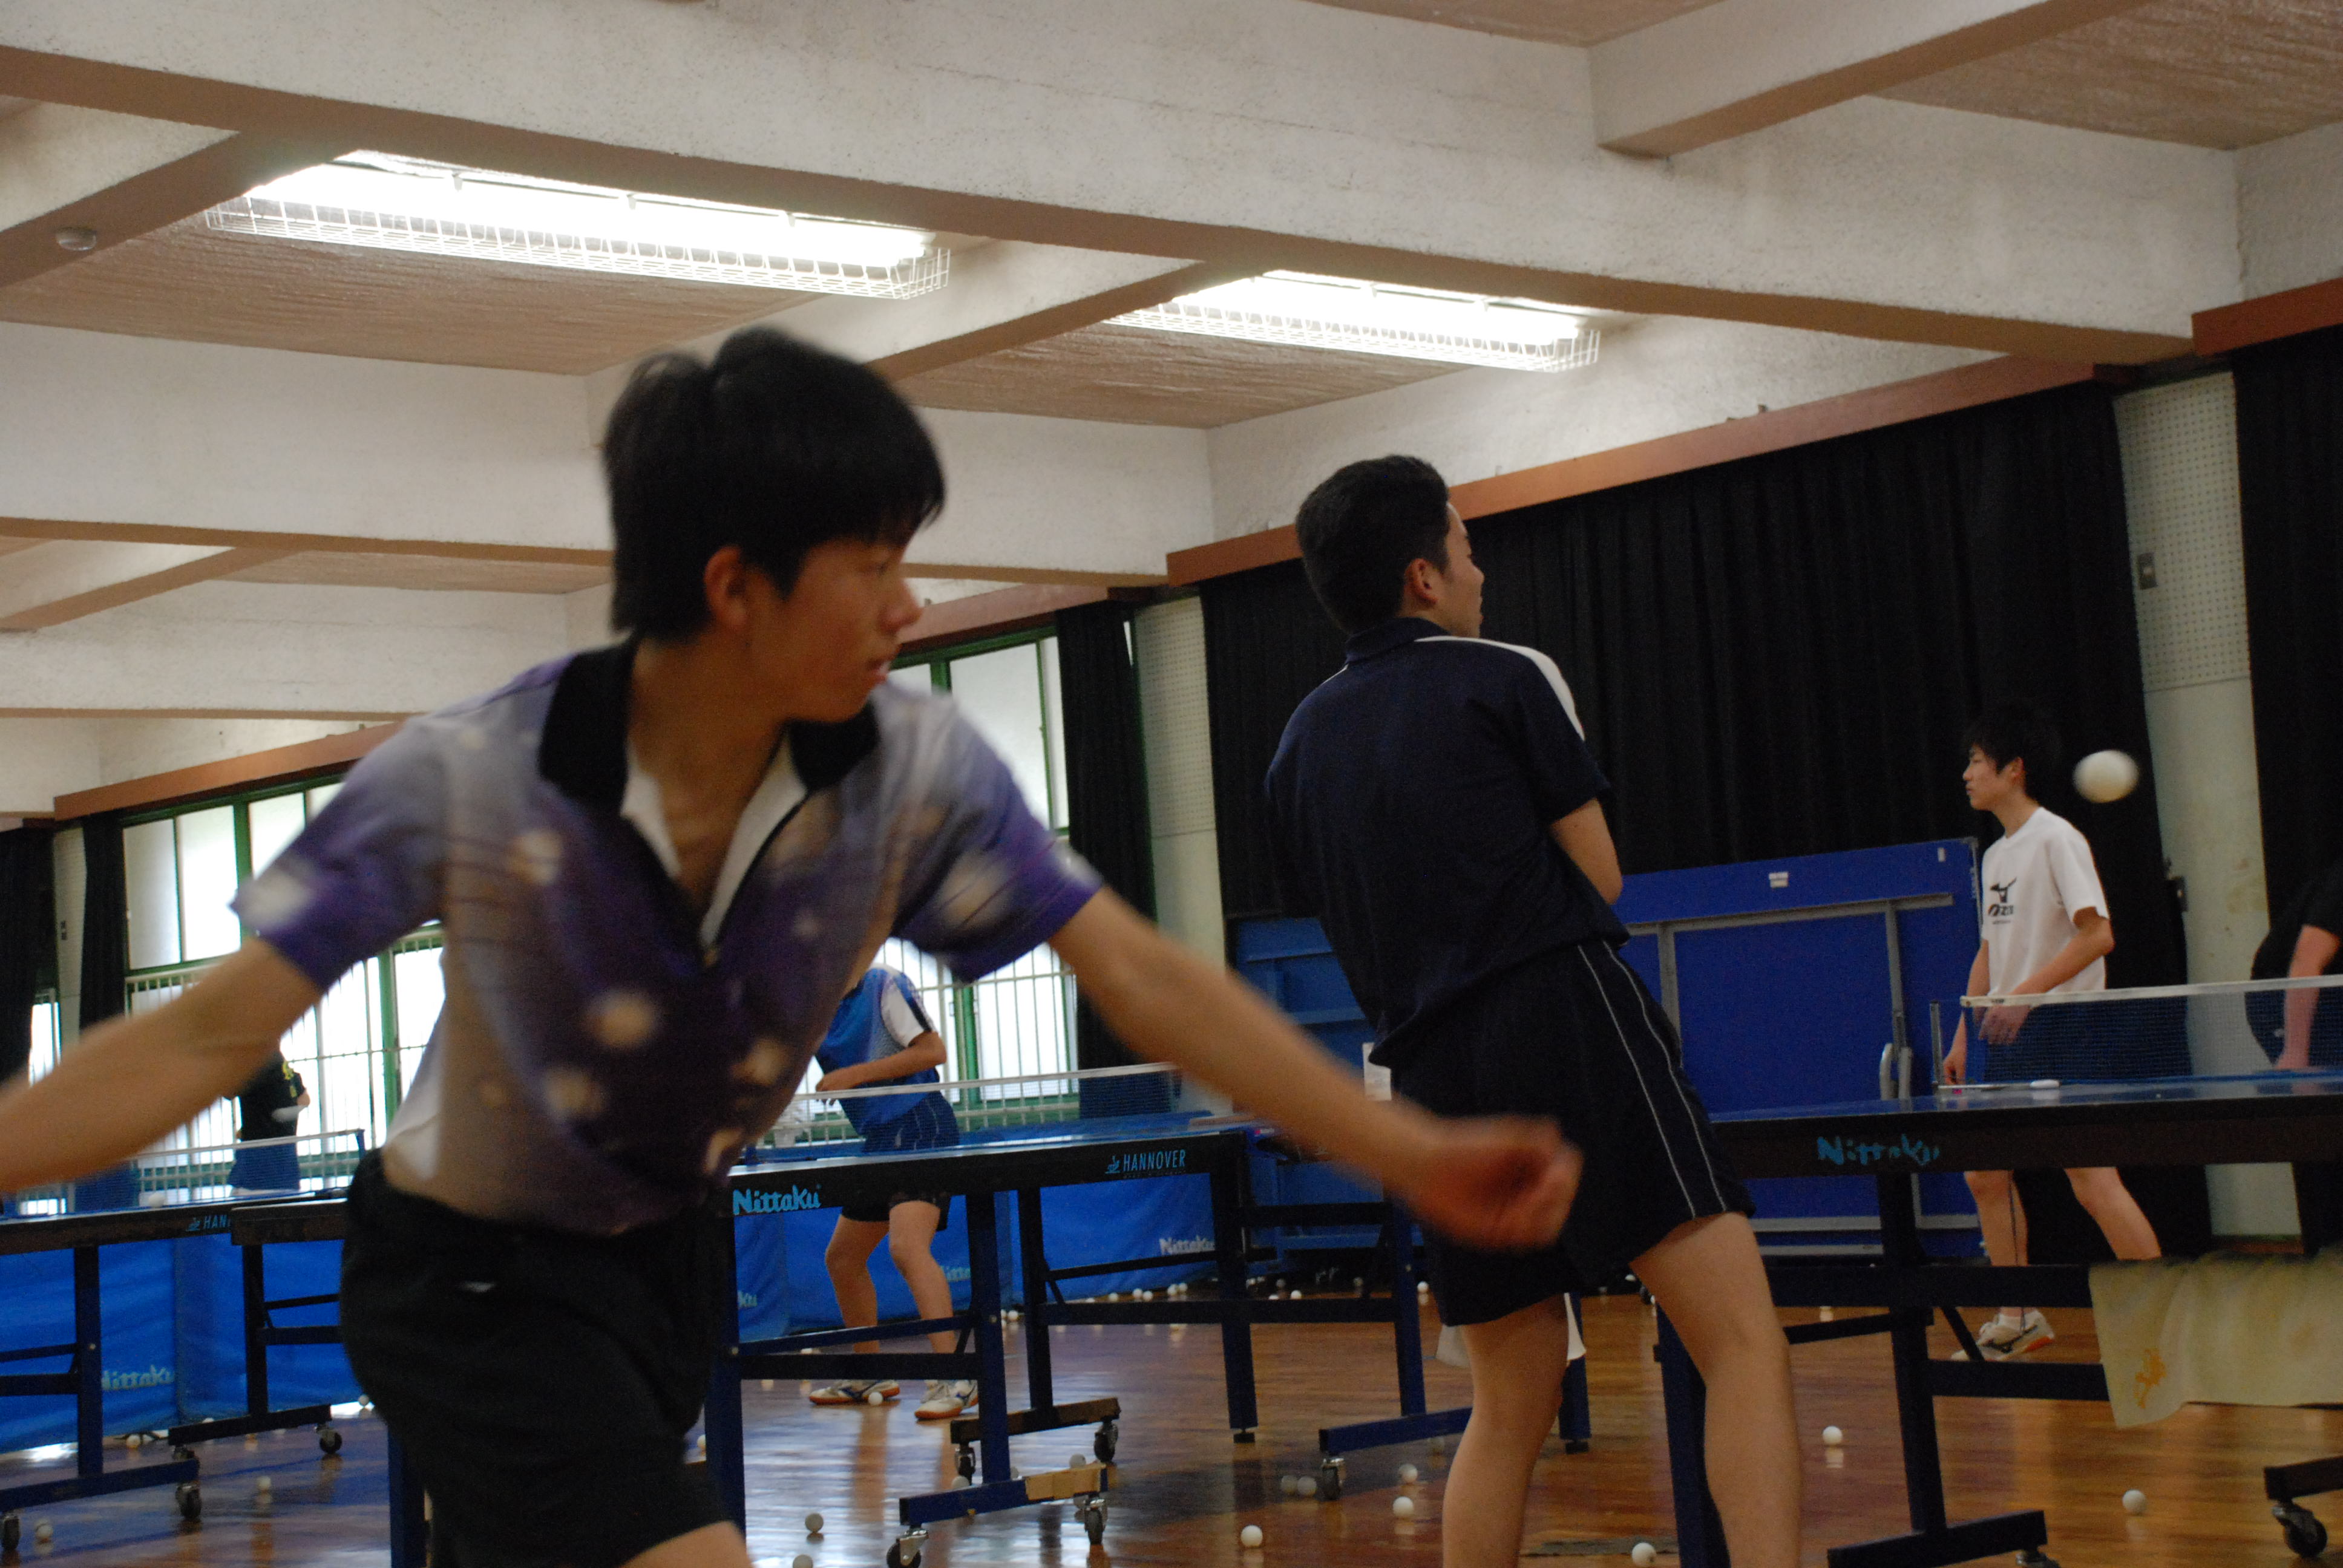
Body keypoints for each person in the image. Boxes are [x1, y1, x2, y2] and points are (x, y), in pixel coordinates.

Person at [0, 330, 1579, 1568]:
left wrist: (1403, 1148)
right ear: (735, 590)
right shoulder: (476, 775)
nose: (912, 605)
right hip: (468, 1277)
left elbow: (1137, 972)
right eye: (874, 566)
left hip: (667, 1261)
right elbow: (207, 1035)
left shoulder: (912, 773)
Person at [1263, 456, 1797, 1568]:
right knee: (1742, 1344)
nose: (1480, 569)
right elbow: (1598, 874)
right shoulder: (1502, 676)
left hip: (1428, 1075)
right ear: (1422, 575)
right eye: (1465, 548)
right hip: (1565, 1015)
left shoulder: (1295, 749)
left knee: (1508, 1402)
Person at [1944, 702, 2160, 1359]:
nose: (1966, 774)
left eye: (1976, 762)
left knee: (2092, 1180)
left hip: (2064, 1028)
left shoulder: (2057, 839)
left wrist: (2025, 998)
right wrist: (1963, 1032)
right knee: (1985, 1176)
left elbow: (2098, 936)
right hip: (2008, 1033)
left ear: (2013, 769)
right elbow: (1991, 949)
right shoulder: (1995, 855)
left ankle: (2169, 1325)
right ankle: (2017, 1315)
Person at [806, 965, 971, 1420]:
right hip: (880, 1137)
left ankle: (954, 1376)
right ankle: (870, 1372)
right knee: (843, 1258)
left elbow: (932, 1050)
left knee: (907, 1248)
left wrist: (854, 1075)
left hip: (920, 1124)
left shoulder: (883, 985)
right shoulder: (813, 1002)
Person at [2248, 854, 2343, 1071]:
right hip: (2281, 998)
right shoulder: (2339, 887)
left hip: (2334, 996)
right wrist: (2295, 1052)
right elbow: (2306, 963)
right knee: (2321, 1085)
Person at [229, 1051, 310, 1194]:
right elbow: (305, 1100)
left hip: (259, 1162)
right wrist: (278, 1119)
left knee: (248, 1204)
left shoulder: (254, 1065)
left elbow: (226, 1091)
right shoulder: (285, 1070)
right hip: (285, 1163)